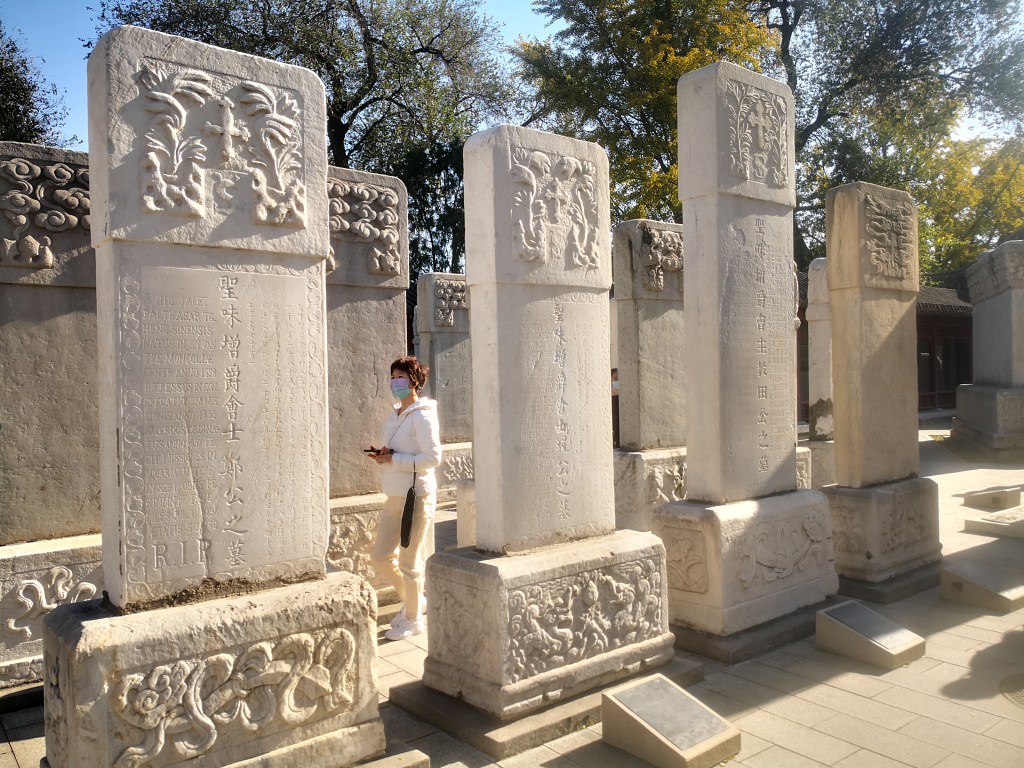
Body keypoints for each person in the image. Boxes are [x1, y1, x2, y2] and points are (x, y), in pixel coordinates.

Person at [368, 355, 442, 640]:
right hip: (395, 495)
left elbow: (433, 457)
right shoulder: (396, 412)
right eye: (393, 376)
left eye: (401, 377)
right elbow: (397, 451)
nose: (395, 382)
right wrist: (383, 455)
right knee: (381, 557)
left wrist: (395, 459)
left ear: (415, 382)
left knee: (409, 562)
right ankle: (415, 601)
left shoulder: (422, 415)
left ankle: (413, 619)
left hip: (417, 496)